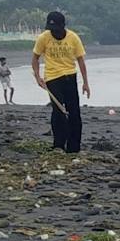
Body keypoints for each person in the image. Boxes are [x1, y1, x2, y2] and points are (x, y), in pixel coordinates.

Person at [31, 10, 89, 153]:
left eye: (56, 29)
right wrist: (38, 78)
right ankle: (58, 145)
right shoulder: (43, 38)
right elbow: (35, 59)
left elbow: (81, 60)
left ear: (63, 26)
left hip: (70, 76)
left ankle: (74, 147)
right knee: (58, 112)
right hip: (52, 78)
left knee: (74, 112)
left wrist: (85, 83)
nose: (54, 32)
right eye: (51, 29)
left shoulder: (73, 38)